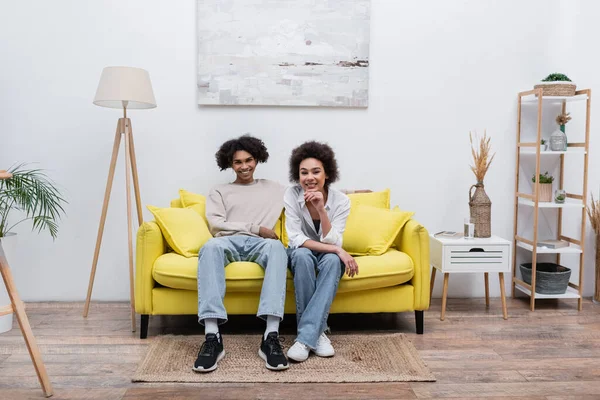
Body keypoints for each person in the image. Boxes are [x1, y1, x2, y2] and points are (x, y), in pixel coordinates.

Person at [193, 135, 289, 373]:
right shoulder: (219, 190)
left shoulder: (275, 188)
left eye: (249, 160)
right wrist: (256, 228)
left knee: (278, 248)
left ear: (257, 159)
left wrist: (355, 192)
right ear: (229, 164)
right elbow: (216, 225)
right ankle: (212, 337)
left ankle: (271, 336)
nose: (245, 166)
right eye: (238, 162)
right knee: (209, 246)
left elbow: (309, 189)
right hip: (228, 242)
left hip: (262, 244)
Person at [284, 141, 359, 362]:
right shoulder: (291, 194)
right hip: (302, 253)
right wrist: (337, 249)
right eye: (304, 172)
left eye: (316, 171)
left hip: (327, 254)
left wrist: (320, 210)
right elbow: (296, 239)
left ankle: (306, 338)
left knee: (333, 262)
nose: (310, 177)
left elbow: (334, 237)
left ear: (327, 173)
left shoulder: (341, 201)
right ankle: (318, 333)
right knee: (302, 256)